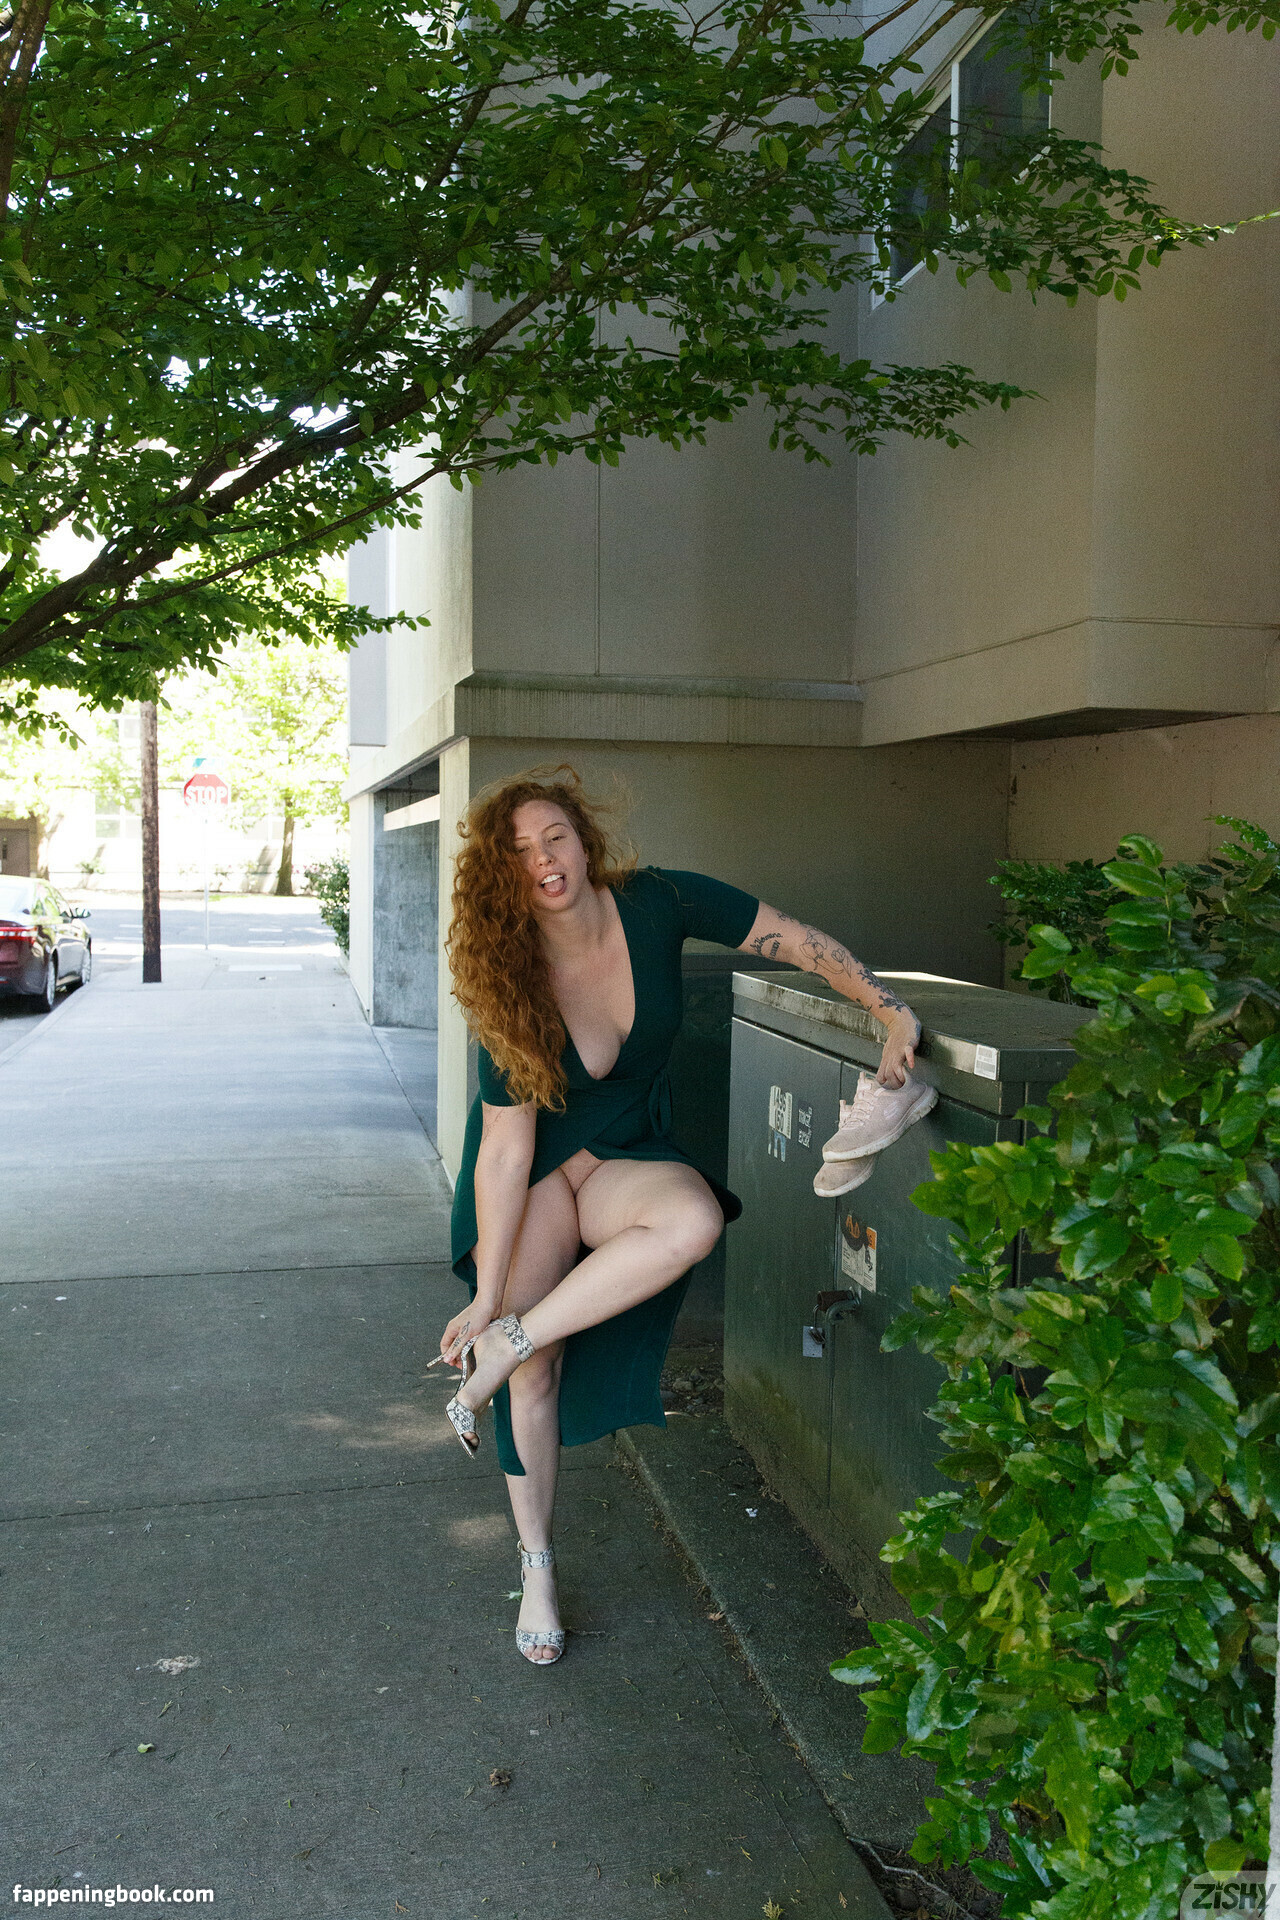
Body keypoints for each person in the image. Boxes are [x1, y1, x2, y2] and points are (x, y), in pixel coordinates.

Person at [434, 766, 925, 1666]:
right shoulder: (508, 973)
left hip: (624, 1153)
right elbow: (505, 1150)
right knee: (535, 1375)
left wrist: (888, 1011)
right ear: (503, 874)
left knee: (691, 1222)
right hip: (535, 1170)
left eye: (554, 836)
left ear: (584, 839)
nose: (543, 860)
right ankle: (537, 1565)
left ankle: (511, 1341)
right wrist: (488, 1290)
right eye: (520, 852)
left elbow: (796, 942)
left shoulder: (659, 903)